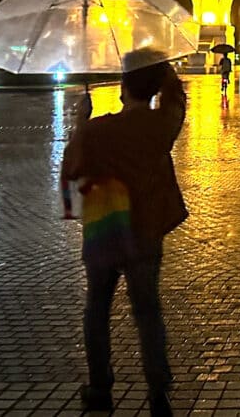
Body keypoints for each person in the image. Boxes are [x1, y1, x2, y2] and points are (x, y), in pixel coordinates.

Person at [61, 50, 188, 417]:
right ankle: (158, 389)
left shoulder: (97, 130)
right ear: (154, 87)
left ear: (122, 86)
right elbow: (177, 102)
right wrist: (165, 73)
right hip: (145, 227)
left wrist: (79, 122)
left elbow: (72, 167)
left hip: (104, 228)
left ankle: (100, 387)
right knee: (148, 310)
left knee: (97, 308)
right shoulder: (160, 126)